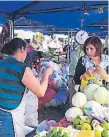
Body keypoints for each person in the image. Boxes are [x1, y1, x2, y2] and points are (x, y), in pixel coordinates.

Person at [0, 38, 53, 137]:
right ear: (22, 49)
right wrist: (46, 74)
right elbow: (41, 92)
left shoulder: (1, 64)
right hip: (11, 119)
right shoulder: (22, 68)